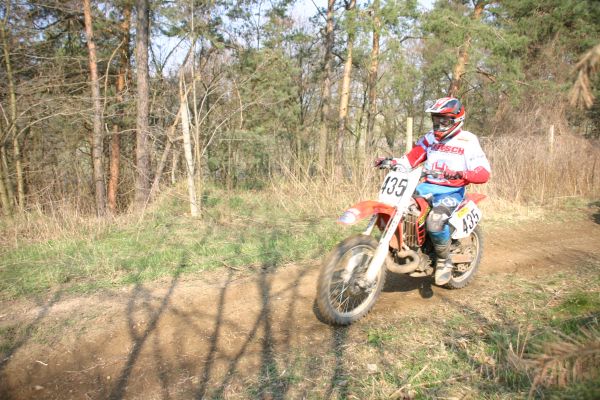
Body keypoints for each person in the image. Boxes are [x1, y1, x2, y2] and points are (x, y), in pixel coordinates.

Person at [376, 97, 491, 286]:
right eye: (436, 119)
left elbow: (483, 172)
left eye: (444, 120)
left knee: (435, 221)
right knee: (400, 209)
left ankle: (444, 260)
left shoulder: (468, 140)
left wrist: (461, 173)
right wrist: (392, 161)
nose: (439, 124)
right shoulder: (430, 138)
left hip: (451, 192)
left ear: (456, 120)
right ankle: (407, 247)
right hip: (426, 187)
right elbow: (411, 159)